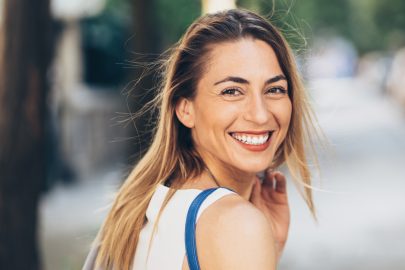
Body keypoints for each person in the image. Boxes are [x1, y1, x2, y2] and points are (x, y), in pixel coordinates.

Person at [84, 8, 319, 270]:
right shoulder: (236, 225)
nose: (261, 114)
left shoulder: (143, 207)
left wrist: (269, 247)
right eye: (232, 91)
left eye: (274, 89)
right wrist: (249, 238)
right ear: (185, 109)